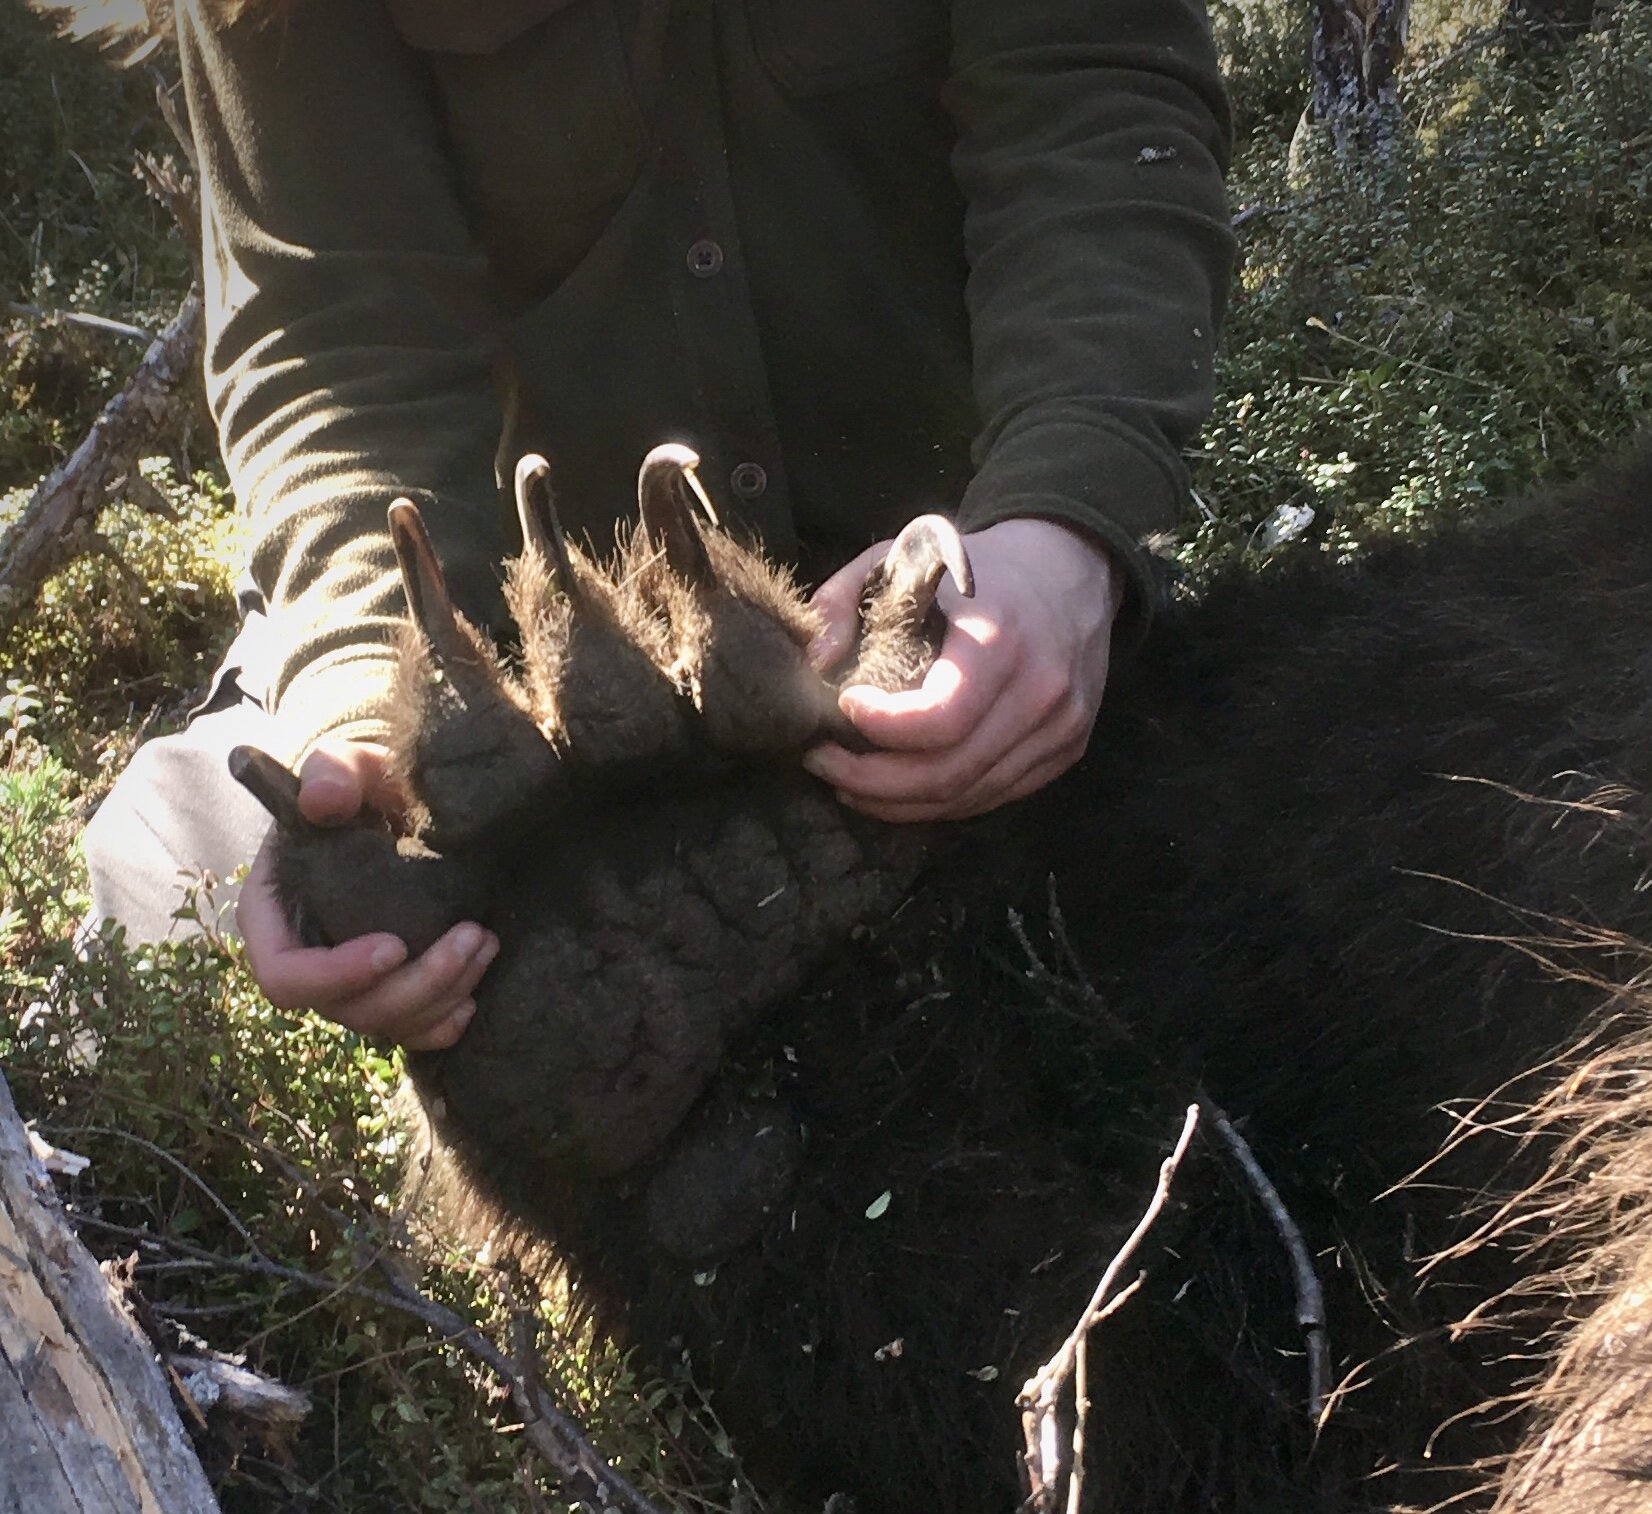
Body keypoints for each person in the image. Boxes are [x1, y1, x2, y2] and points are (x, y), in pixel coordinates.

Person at [81, 0, 1234, 1054]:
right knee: (168, 892)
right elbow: (330, 327)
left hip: (936, 595)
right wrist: (365, 700)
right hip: (529, 693)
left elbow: (1092, 103)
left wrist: (1060, 529)